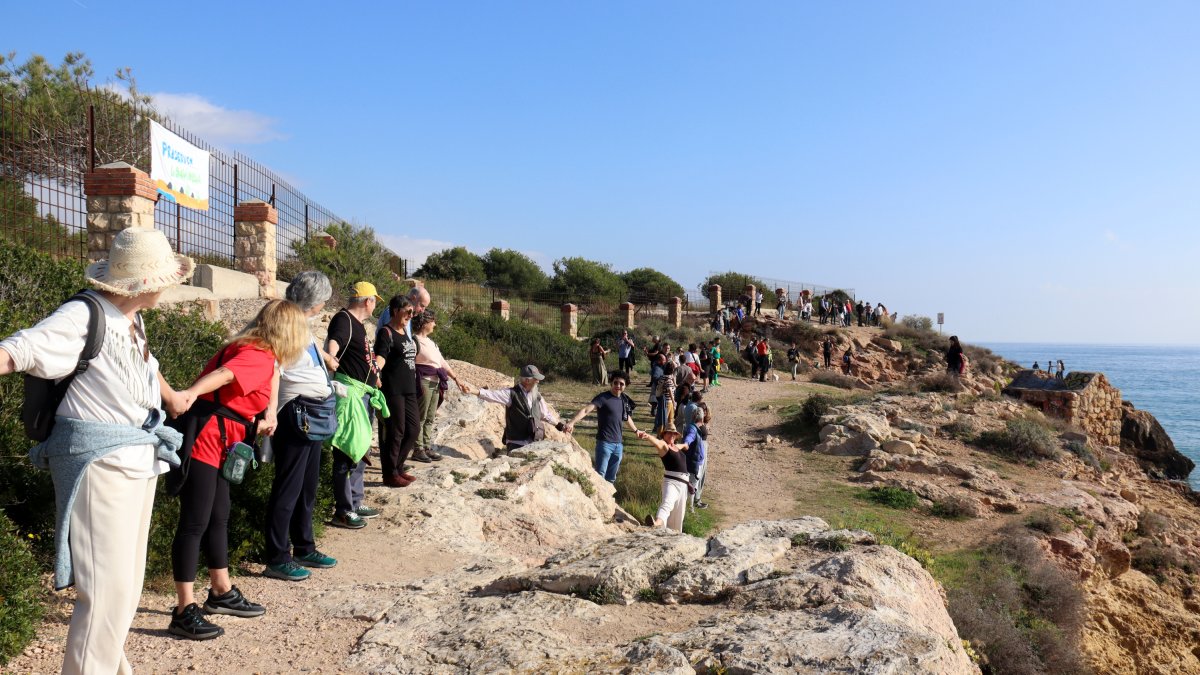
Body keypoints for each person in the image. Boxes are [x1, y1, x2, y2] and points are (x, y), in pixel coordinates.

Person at [0, 227, 192, 671]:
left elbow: (146, 366)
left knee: (123, 591)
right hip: (99, 465)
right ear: (147, 283)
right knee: (104, 592)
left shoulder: (131, 317)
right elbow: (19, 351)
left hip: (136, 460)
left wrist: (171, 397)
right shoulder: (82, 316)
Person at [169, 299, 309, 639]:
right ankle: (183, 610)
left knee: (219, 515)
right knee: (195, 521)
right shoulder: (257, 356)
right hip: (206, 438)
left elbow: (270, 377)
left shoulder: (262, 353)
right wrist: (188, 394)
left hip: (221, 441)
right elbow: (225, 375)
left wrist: (270, 413)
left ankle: (220, 591)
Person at [264, 271, 341, 582]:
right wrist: (270, 412)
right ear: (317, 304)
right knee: (288, 487)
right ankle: (277, 556)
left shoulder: (301, 325)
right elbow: (273, 368)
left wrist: (325, 359)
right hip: (295, 416)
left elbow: (305, 355)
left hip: (313, 415)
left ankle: (304, 545)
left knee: (307, 486)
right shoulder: (285, 325)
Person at [326, 281, 388, 530]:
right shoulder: (344, 319)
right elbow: (334, 342)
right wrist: (330, 357)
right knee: (346, 449)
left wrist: (375, 374)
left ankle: (355, 499)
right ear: (367, 301)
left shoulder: (358, 324)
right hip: (351, 395)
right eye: (374, 301)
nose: (374, 305)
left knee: (360, 448)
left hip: (364, 393)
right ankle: (342, 510)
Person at [375, 295, 421, 487]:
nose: (411, 315)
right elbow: (381, 356)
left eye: (412, 312)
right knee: (396, 431)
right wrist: (375, 371)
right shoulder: (386, 333)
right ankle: (390, 473)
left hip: (409, 389)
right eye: (407, 311)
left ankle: (398, 467)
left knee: (413, 430)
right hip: (393, 389)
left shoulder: (406, 333)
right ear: (395, 311)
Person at [466, 364, 563, 455]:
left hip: (534, 443)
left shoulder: (537, 395)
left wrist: (559, 425)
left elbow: (545, 415)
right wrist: (474, 391)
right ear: (527, 380)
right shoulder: (511, 394)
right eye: (536, 379)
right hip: (516, 443)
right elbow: (491, 395)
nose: (538, 381)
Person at [564, 370, 641, 483]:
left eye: (621, 384)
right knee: (600, 476)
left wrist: (636, 431)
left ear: (626, 386)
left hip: (618, 445)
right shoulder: (603, 398)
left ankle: (608, 500)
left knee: (611, 478)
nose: (618, 386)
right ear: (611, 383)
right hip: (604, 443)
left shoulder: (624, 400)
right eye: (615, 383)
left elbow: (626, 417)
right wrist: (572, 422)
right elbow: (586, 410)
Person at [413, 310, 468, 462]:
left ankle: (426, 446)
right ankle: (417, 449)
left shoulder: (431, 343)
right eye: (433, 322)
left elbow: (442, 362)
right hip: (423, 381)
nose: (435, 324)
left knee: (430, 416)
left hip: (436, 382)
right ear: (425, 323)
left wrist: (456, 378)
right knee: (421, 416)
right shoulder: (414, 341)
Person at [636, 423, 690, 531]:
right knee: (667, 504)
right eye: (669, 433)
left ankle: (673, 536)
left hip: (683, 485)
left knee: (679, 515)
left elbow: (680, 446)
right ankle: (656, 524)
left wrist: (685, 445)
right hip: (672, 482)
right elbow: (657, 442)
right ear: (664, 435)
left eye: (674, 434)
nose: (672, 436)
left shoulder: (675, 447)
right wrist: (647, 436)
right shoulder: (664, 446)